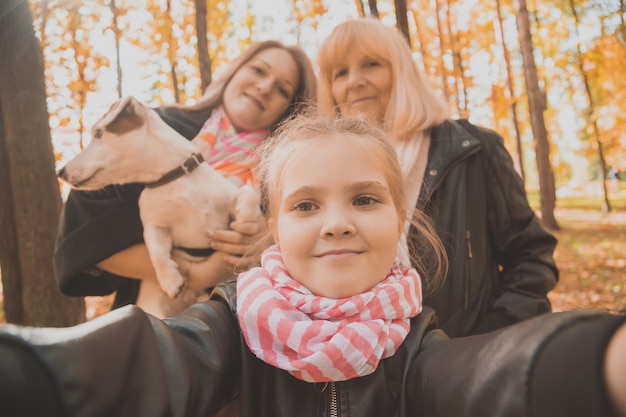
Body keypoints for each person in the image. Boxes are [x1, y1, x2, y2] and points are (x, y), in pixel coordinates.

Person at [1, 115, 625, 417]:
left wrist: (597, 361)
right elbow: (160, 359)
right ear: (275, 227)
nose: (336, 222)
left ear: (399, 217)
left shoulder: (414, 339)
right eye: (305, 205)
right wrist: (35, 371)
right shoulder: (233, 321)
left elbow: (478, 377)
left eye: (364, 199)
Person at [316, 18, 559, 337]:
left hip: (462, 362)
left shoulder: (474, 149)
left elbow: (531, 258)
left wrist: (489, 338)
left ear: (400, 72)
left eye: (371, 64)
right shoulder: (324, 166)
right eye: (340, 73)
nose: (354, 81)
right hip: (364, 370)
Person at [53, 40, 317, 317]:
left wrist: (266, 240)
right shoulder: (161, 125)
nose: (265, 87)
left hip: (240, 326)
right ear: (234, 71)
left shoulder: (287, 171)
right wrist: (197, 272)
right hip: (149, 321)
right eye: (259, 71)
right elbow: (85, 229)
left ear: (289, 108)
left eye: (282, 89)